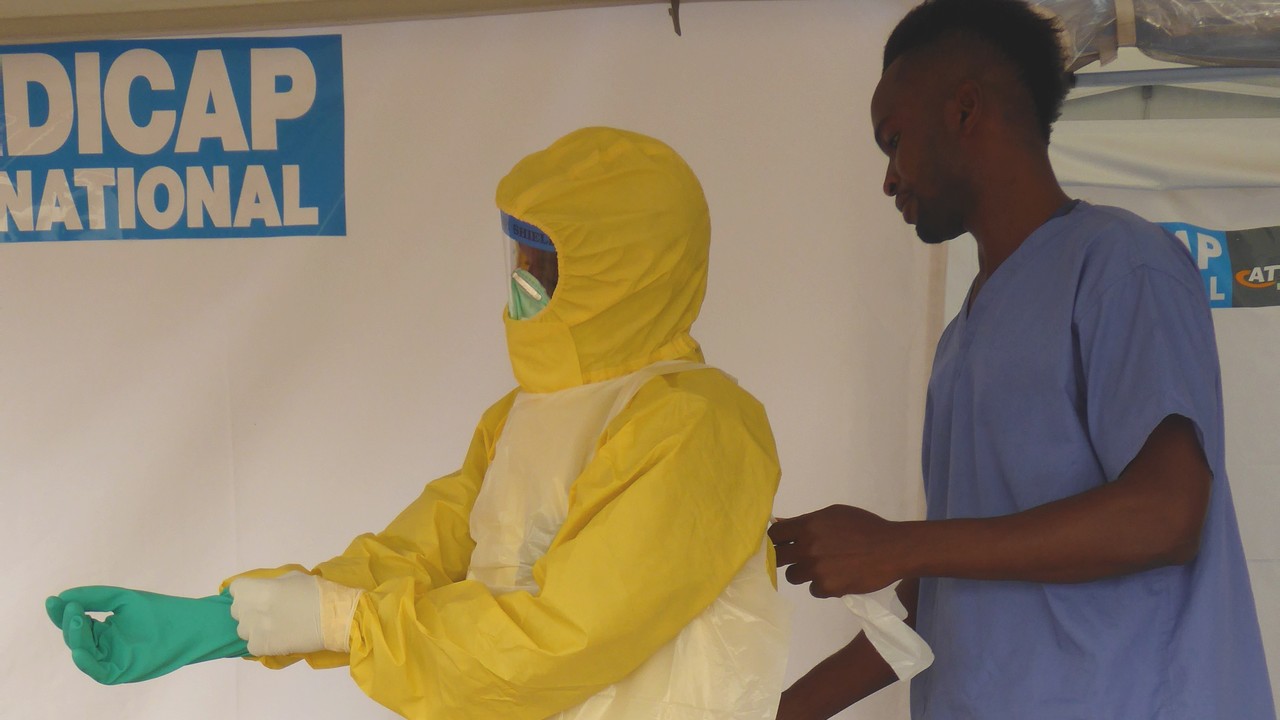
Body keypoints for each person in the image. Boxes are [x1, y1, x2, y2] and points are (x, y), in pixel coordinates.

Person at [48, 126, 790, 720]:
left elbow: (561, 639)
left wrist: (343, 623)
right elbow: (413, 556)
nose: (523, 279)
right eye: (519, 252)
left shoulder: (698, 425)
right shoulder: (521, 417)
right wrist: (231, 621)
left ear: (627, 272)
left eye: (548, 261)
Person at [768, 1, 1276, 718]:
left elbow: (1166, 515)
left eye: (893, 140)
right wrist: (780, 709)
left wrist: (899, 543)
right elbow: (947, 588)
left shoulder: (1120, 264)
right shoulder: (962, 338)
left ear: (965, 110)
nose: (888, 178)